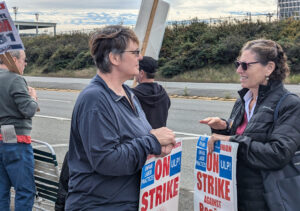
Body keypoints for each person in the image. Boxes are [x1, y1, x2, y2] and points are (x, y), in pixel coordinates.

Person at [65, 25, 176, 210]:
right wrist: (152, 141)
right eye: (135, 52)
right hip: (100, 204)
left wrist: (158, 144)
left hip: (126, 201)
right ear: (114, 58)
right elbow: (106, 161)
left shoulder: (128, 93)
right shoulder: (95, 99)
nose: (140, 57)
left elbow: (138, 141)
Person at [200, 39, 300, 211]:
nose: (239, 70)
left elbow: (278, 153)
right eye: (238, 64)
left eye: (245, 65)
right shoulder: (243, 101)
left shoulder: (290, 104)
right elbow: (244, 135)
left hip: (266, 201)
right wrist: (224, 128)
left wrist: (230, 139)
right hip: (236, 197)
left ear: (269, 68)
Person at [0, 50, 38, 211]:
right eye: (24, 60)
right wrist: (33, 98)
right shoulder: (15, 79)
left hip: (3, 137)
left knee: (1, 190)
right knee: (25, 190)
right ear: (14, 59)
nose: (26, 63)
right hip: (16, 139)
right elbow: (28, 110)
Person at [133, 56, 171, 129]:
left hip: (143, 139)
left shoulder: (133, 95)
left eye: (135, 69)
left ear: (141, 73)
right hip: (161, 138)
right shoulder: (163, 92)